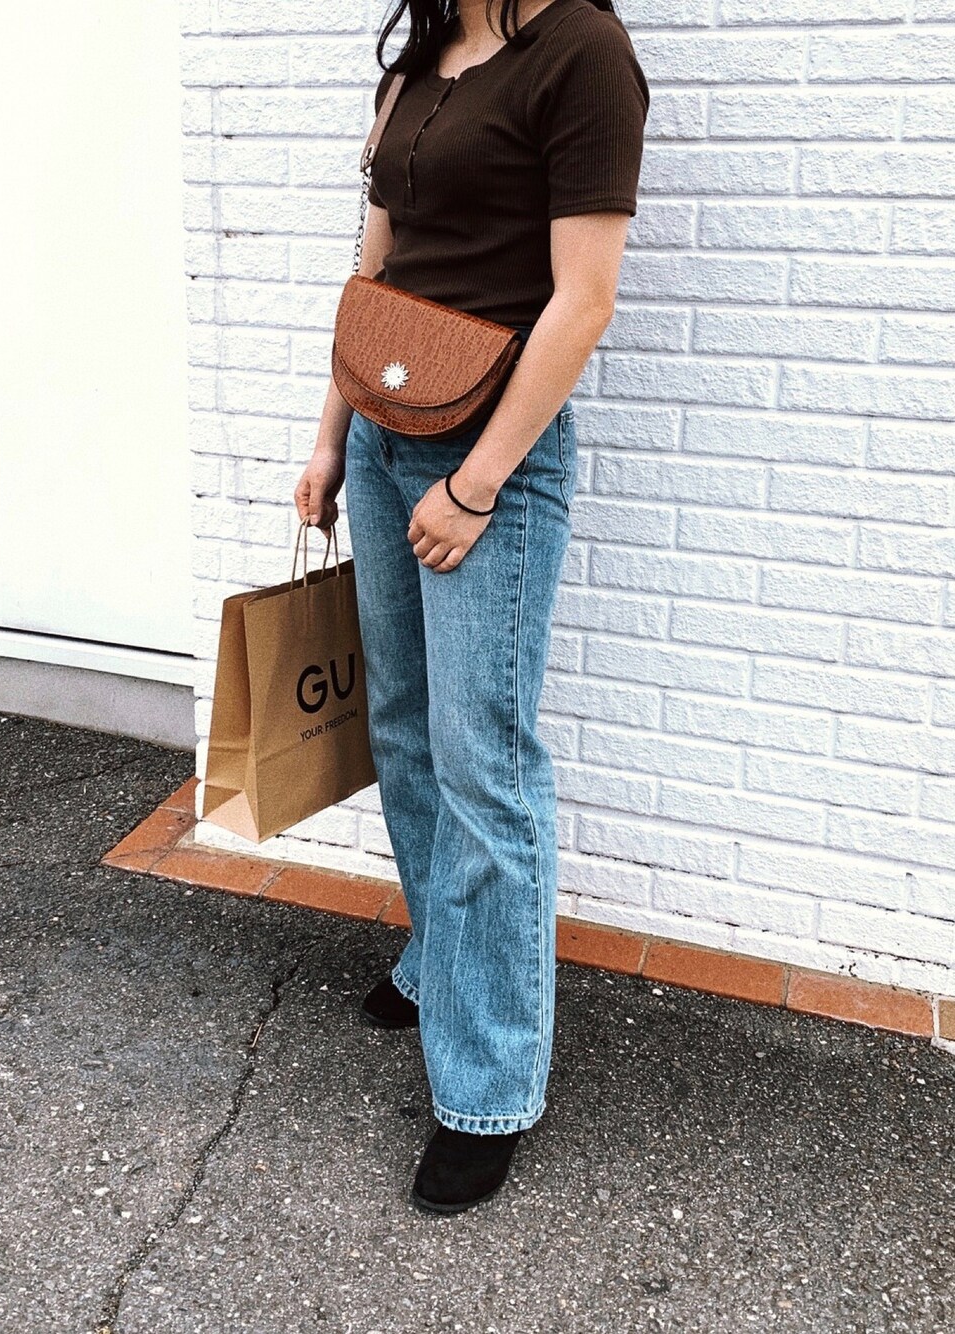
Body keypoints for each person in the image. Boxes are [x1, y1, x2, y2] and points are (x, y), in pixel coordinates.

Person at [295, 0, 649, 1215]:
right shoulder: (421, 52)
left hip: (487, 455)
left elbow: (582, 298)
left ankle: (489, 1084)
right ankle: (439, 956)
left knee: (481, 758)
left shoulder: (581, 52)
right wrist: (330, 436)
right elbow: (373, 270)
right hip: (385, 428)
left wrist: (478, 482)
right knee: (401, 728)